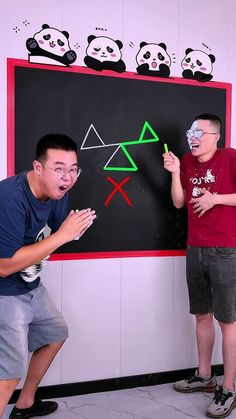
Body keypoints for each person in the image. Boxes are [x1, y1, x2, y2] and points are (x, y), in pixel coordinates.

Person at [0, 133, 96, 419]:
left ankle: (25, 404)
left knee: (55, 333)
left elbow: (50, 237)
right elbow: (4, 265)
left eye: (73, 168)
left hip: (29, 283)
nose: (67, 177)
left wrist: (67, 231)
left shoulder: (58, 194)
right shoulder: (11, 199)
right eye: (58, 168)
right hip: (5, 289)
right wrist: (64, 236)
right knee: (9, 373)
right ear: (38, 168)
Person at [163, 113, 236, 419]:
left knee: (228, 321)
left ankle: (229, 388)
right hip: (195, 247)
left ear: (216, 136)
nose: (192, 136)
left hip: (225, 250)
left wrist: (215, 199)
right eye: (190, 131)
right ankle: (205, 376)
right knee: (202, 315)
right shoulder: (186, 161)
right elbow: (179, 202)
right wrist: (175, 172)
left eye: (199, 132)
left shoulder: (229, 158)